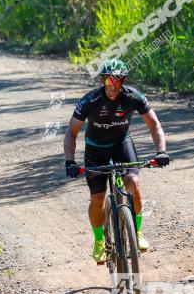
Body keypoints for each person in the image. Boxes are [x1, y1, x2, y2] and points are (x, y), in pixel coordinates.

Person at [64, 58, 170, 263]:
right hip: (95, 150)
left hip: (122, 144)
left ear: (123, 81)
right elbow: (71, 133)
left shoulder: (133, 97)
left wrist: (161, 151)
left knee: (134, 182)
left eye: (117, 81)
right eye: (108, 82)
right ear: (102, 81)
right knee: (97, 199)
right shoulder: (90, 100)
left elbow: (154, 125)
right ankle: (99, 242)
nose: (113, 87)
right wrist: (70, 161)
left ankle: (136, 233)